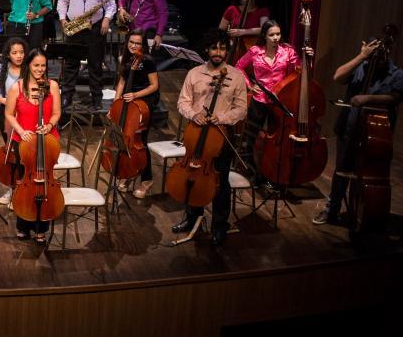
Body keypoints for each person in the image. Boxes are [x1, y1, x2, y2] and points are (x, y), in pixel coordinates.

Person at [312, 38, 403, 226]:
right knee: (340, 172)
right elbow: (338, 77)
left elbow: (395, 97)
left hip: (374, 134)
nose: (376, 60)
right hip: (349, 127)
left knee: (369, 173)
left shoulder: (399, 75)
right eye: (372, 56)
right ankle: (332, 209)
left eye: (380, 56)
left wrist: (367, 98)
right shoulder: (362, 66)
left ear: (388, 53)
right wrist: (361, 56)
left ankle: (366, 210)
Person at [171, 31, 248, 246]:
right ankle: (191, 218)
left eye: (222, 48)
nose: (218, 52)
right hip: (196, 134)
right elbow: (182, 102)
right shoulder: (194, 74)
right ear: (207, 49)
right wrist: (194, 114)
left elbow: (241, 110)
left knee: (220, 182)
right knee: (193, 175)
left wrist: (220, 117)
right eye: (214, 48)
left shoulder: (236, 76)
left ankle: (219, 226)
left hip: (221, 137)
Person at [4, 48, 62, 244]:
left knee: (44, 184)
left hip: (47, 141)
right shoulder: (17, 88)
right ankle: (23, 224)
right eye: (36, 65)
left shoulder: (52, 86)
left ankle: (41, 226)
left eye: (43, 65)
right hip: (24, 142)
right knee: (24, 184)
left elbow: (56, 113)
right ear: (28, 65)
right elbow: (9, 114)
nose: (40, 69)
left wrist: (49, 125)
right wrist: (21, 131)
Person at [235, 20, 307, 170]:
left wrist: (308, 58)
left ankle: (271, 168)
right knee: (252, 136)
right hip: (259, 100)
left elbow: (300, 70)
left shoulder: (288, 52)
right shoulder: (255, 51)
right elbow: (239, 67)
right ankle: (250, 168)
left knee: (276, 138)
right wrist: (250, 86)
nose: (276, 38)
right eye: (272, 34)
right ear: (264, 36)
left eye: (278, 34)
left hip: (279, 101)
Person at [57, 0, 117, 109]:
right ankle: (66, 96)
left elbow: (111, 5)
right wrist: (63, 19)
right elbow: (62, 0)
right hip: (74, 25)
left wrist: (106, 19)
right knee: (71, 63)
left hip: (94, 26)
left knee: (95, 64)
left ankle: (96, 98)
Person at [113, 30, 160, 199]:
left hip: (144, 101)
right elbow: (122, 81)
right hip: (128, 99)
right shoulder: (125, 58)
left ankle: (146, 179)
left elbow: (154, 85)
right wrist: (115, 104)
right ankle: (128, 173)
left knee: (140, 140)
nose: (134, 46)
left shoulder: (147, 61)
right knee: (126, 138)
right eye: (131, 42)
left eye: (138, 43)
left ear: (143, 45)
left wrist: (135, 95)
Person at [0, 37, 28, 205]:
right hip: (8, 116)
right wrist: (7, 100)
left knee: (25, 154)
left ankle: (25, 189)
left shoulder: (30, 68)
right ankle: (13, 189)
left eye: (21, 52)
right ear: (8, 54)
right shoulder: (0, 68)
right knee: (13, 155)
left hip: (27, 115)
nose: (19, 56)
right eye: (14, 53)